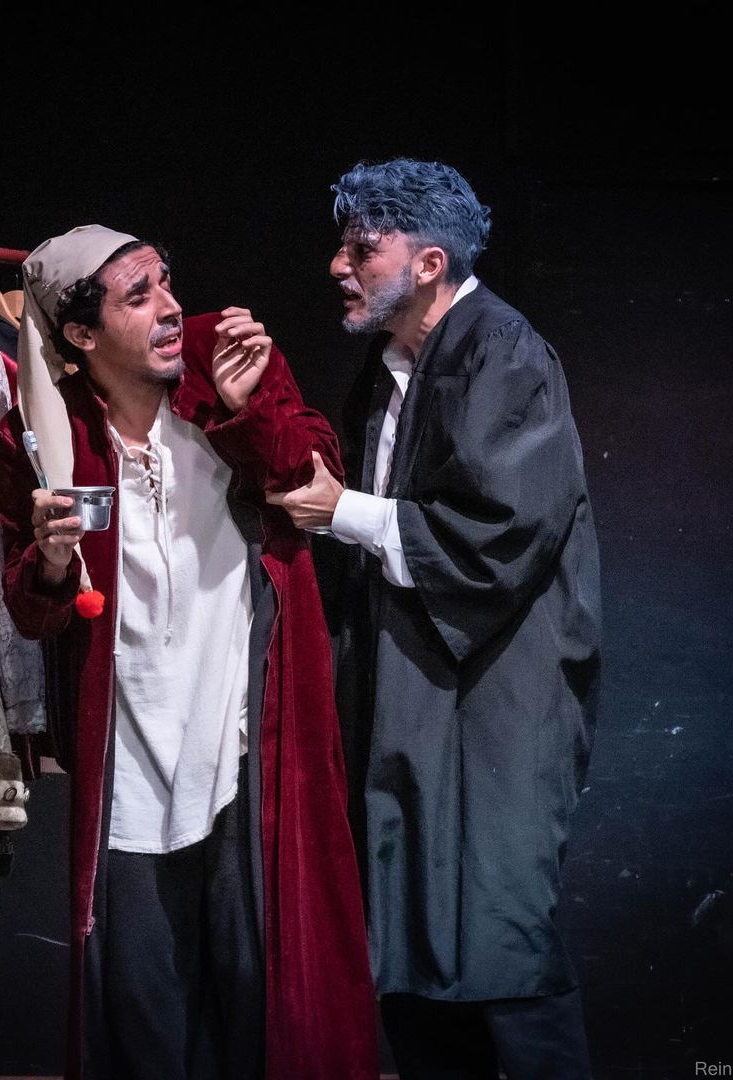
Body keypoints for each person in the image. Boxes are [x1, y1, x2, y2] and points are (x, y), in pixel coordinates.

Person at [0, 225, 378, 1080]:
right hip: (130, 754)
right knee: (143, 998)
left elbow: (315, 479)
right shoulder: (37, 435)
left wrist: (247, 410)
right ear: (81, 334)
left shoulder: (219, 358)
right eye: (140, 297)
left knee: (256, 981)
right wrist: (51, 561)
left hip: (240, 735)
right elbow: (30, 612)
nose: (170, 307)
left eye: (166, 282)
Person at [267, 160, 602, 1079]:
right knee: (403, 940)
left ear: (427, 263)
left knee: (501, 942)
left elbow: (502, 532)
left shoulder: (505, 353)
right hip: (407, 696)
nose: (338, 266)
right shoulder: (388, 370)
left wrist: (343, 512)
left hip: (498, 701)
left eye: (361, 249)